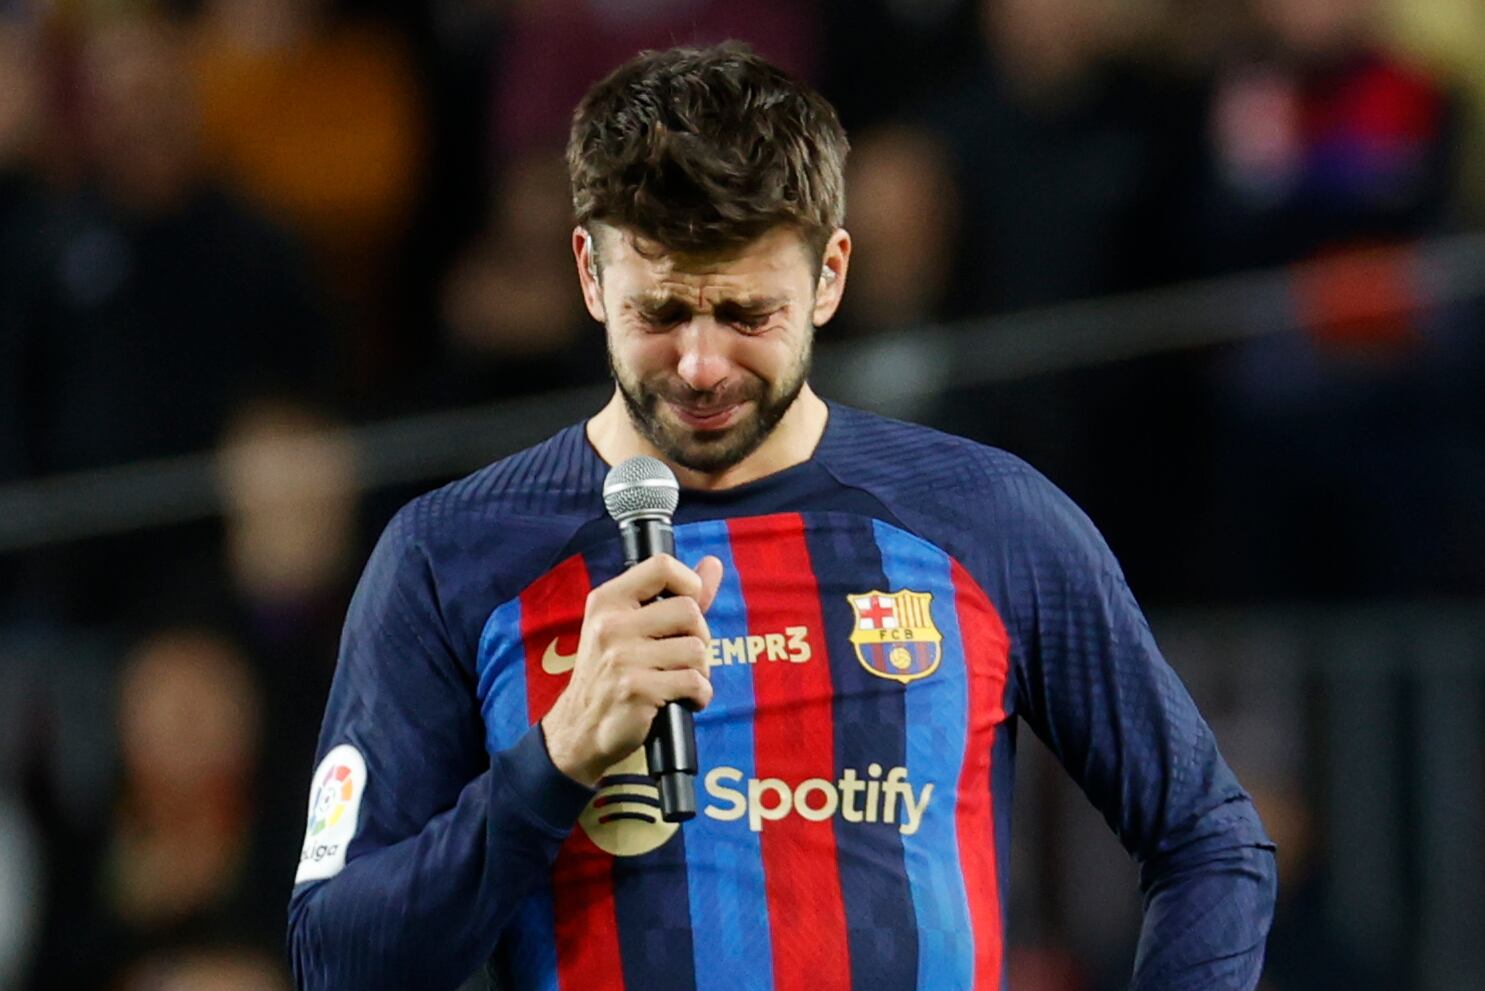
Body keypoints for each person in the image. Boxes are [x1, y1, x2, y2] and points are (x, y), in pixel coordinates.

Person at [287, 43, 1276, 991]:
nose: (703, 364)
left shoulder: (987, 519)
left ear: (831, 274)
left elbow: (1210, 842)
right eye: (663, 313)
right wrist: (558, 758)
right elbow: (338, 961)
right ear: (590, 274)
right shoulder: (449, 557)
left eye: (749, 315)